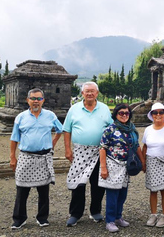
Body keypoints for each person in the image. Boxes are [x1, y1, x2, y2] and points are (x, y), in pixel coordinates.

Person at [9, 88, 63, 229]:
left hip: (44, 157)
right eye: (33, 98)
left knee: (43, 191)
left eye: (39, 99)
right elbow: (14, 138)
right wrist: (12, 157)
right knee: (22, 190)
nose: (36, 101)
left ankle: (42, 217)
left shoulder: (50, 115)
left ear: (43, 100)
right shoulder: (20, 117)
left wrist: (53, 143)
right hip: (26, 157)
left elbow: (60, 129)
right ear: (28, 100)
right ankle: (19, 219)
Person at [63, 81, 113, 227]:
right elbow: (67, 130)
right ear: (82, 93)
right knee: (78, 183)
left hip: (100, 151)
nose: (90, 93)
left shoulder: (104, 108)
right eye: (87, 91)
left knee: (98, 183)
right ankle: (75, 213)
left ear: (97, 93)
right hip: (80, 151)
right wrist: (67, 149)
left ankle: (95, 211)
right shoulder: (74, 109)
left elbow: (110, 129)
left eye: (93, 91)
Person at [98, 103, 145, 232]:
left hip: (126, 166)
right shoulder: (110, 130)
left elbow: (137, 146)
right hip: (113, 164)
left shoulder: (131, 129)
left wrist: (143, 162)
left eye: (127, 113)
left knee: (122, 194)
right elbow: (103, 149)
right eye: (121, 113)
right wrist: (103, 168)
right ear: (116, 115)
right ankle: (110, 220)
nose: (124, 115)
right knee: (112, 194)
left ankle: (118, 216)